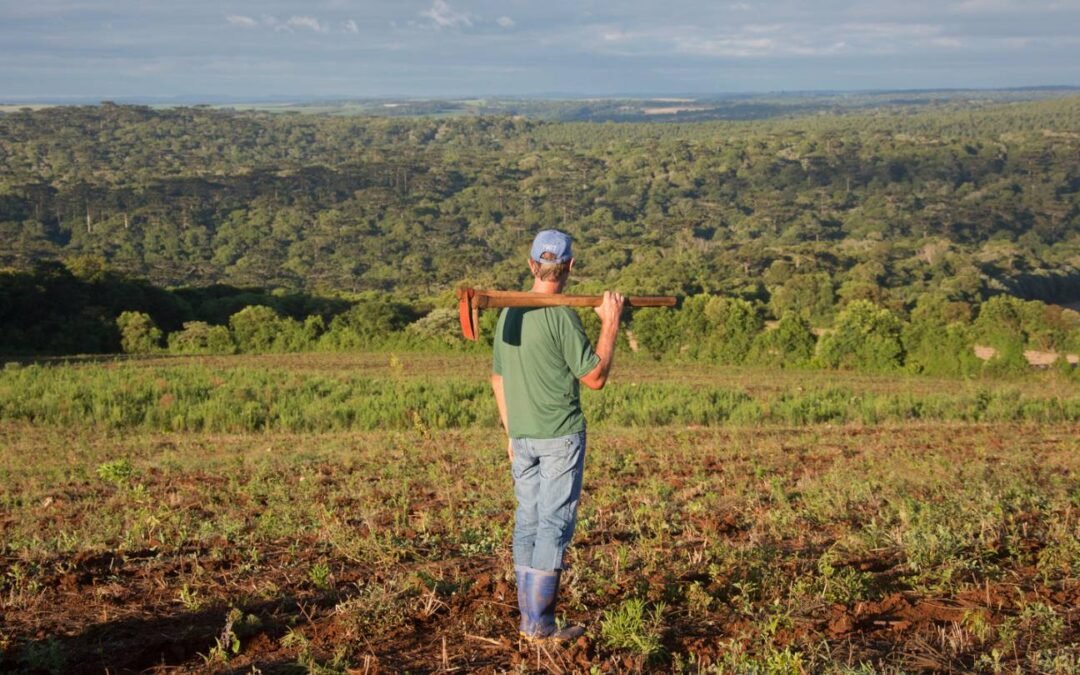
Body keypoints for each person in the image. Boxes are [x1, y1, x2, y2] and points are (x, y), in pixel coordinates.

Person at [490, 229, 624, 641]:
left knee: (527, 522)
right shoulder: (562, 314)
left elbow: (497, 376)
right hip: (559, 437)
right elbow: (594, 377)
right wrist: (611, 323)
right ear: (569, 267)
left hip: (523, 436)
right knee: (552, 526)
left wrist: (511, 434)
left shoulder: (508, 312)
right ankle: (540, 625)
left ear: (532, 264)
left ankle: (530, 621)